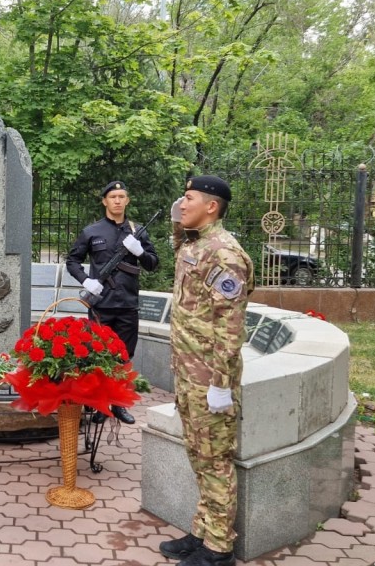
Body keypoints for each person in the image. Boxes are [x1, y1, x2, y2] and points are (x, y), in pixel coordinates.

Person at [159, 175, 253, 566]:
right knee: (200, 457)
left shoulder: (224, 254)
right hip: (189, 373)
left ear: (211, 206)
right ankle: (203, 531)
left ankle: (218, 548)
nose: (182, 203)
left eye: (188, 198)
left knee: (215, 461)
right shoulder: (194, 243)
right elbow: (179, 242)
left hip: (210, 379)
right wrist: (177, 219)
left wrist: (221, 385)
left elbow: (230, 328)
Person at [66, 180, 160, 424]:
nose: (117, 201)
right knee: (99, 355)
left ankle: (118, 405)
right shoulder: (92, 231)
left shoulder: (137, 231)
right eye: (113, 197)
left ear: (127, 200)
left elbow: (153, 263)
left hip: (128, 305)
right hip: (101, 305)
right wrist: (86, 281)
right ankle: (100, 406)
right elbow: (72, 261)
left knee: (124, 356)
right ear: (104, 201)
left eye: (121, 196)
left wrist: (140, 252)